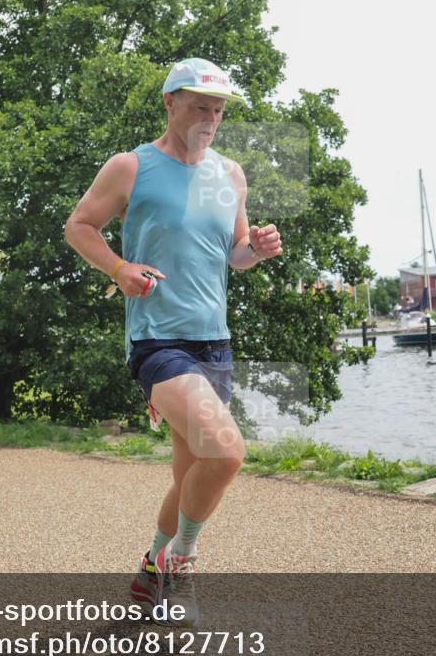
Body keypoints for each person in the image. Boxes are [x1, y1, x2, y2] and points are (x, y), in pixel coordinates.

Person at [65, 59, 282, 626]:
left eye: (217, 109)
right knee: (228, 449)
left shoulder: (231, 175)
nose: (209, 118)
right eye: (198, 106)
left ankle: (147, 574)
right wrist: (118, 269)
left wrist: (255, 247)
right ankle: (181, 565)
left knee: (192, 471)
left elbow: (232, 254)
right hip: (158, 341)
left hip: (215, 343)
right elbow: (80, 225)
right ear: (170, 103)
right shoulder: (132, 166)